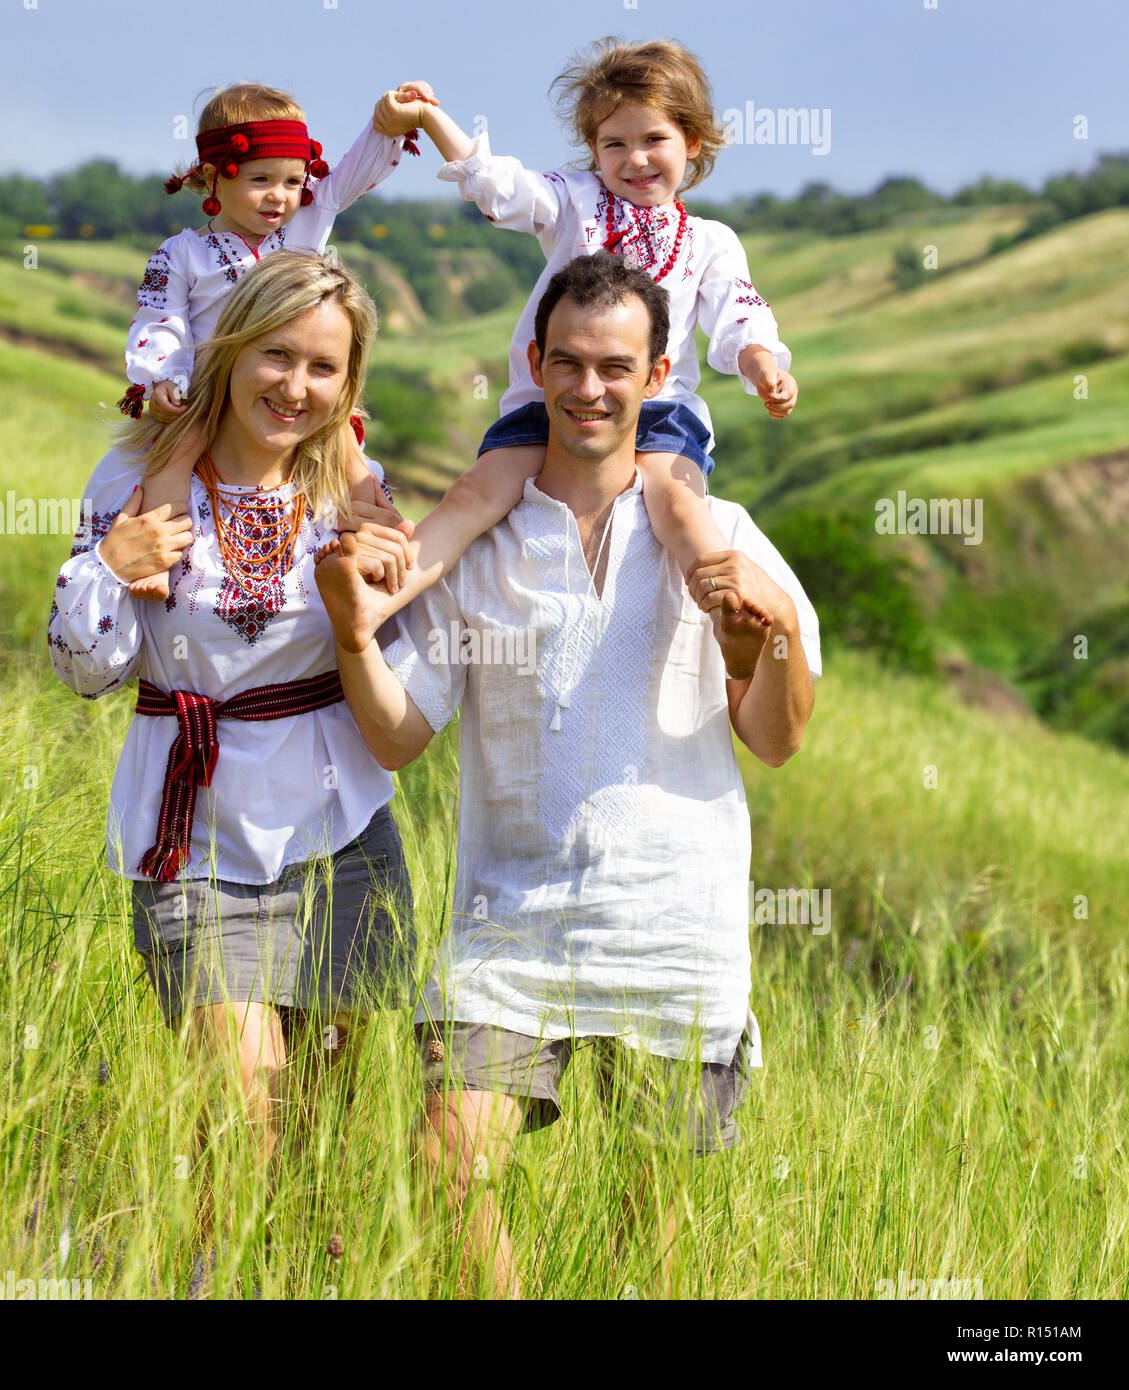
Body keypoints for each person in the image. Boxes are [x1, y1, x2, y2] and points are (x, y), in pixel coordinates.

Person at [314, 251, 821, 1297]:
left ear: (659, 374)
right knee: (446, 1168)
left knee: (652, 1234)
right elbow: (399, 737)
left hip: (674, 930)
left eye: (617, 367)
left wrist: (760, 646)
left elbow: (775, 738)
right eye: (573, 363)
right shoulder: (484, 547)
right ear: (536, 363)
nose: (592, 389)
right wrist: (356, 637)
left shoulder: (719, 539)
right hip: (509, 928)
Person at [47, 250, 416, 1245]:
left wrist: (386, 592)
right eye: (276, 355)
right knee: (243, 1114)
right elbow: (85, 672)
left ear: (348, 384)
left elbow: (405, 672)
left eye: (323, 367)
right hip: (194, 836)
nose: (295, 385)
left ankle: (289, 1274)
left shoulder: (355, 488)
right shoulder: (138, 479)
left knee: (320, 1137)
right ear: (233, 348)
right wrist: (112, 570)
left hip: (343, 838)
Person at [346, 34, 798, 634]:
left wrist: (762, 363)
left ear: (692, 141)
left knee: (680, 503)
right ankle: (384, 600)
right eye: (615, 144)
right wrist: (431, 118)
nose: (635, 160)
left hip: (658, 412)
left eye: (653, 140)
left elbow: (739, 312)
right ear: (593, 149)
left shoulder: (710, 242)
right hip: (549, 403)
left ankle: (728, 615)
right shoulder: (575, 201)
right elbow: (498, 184)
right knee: (473, 495)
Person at [114, 79, 430, 600]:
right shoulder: (183, 253)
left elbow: (353, 171)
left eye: (291, 181)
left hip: (286, 383)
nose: (280, 197)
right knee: (174, 456)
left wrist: (385, 125)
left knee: (345, 449)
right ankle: (161, 557)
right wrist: (163, 377)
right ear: (215, 177)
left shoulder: (309, 219)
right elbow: (158, 317)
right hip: (207, 392)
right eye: (261, 179)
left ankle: (373, 527)